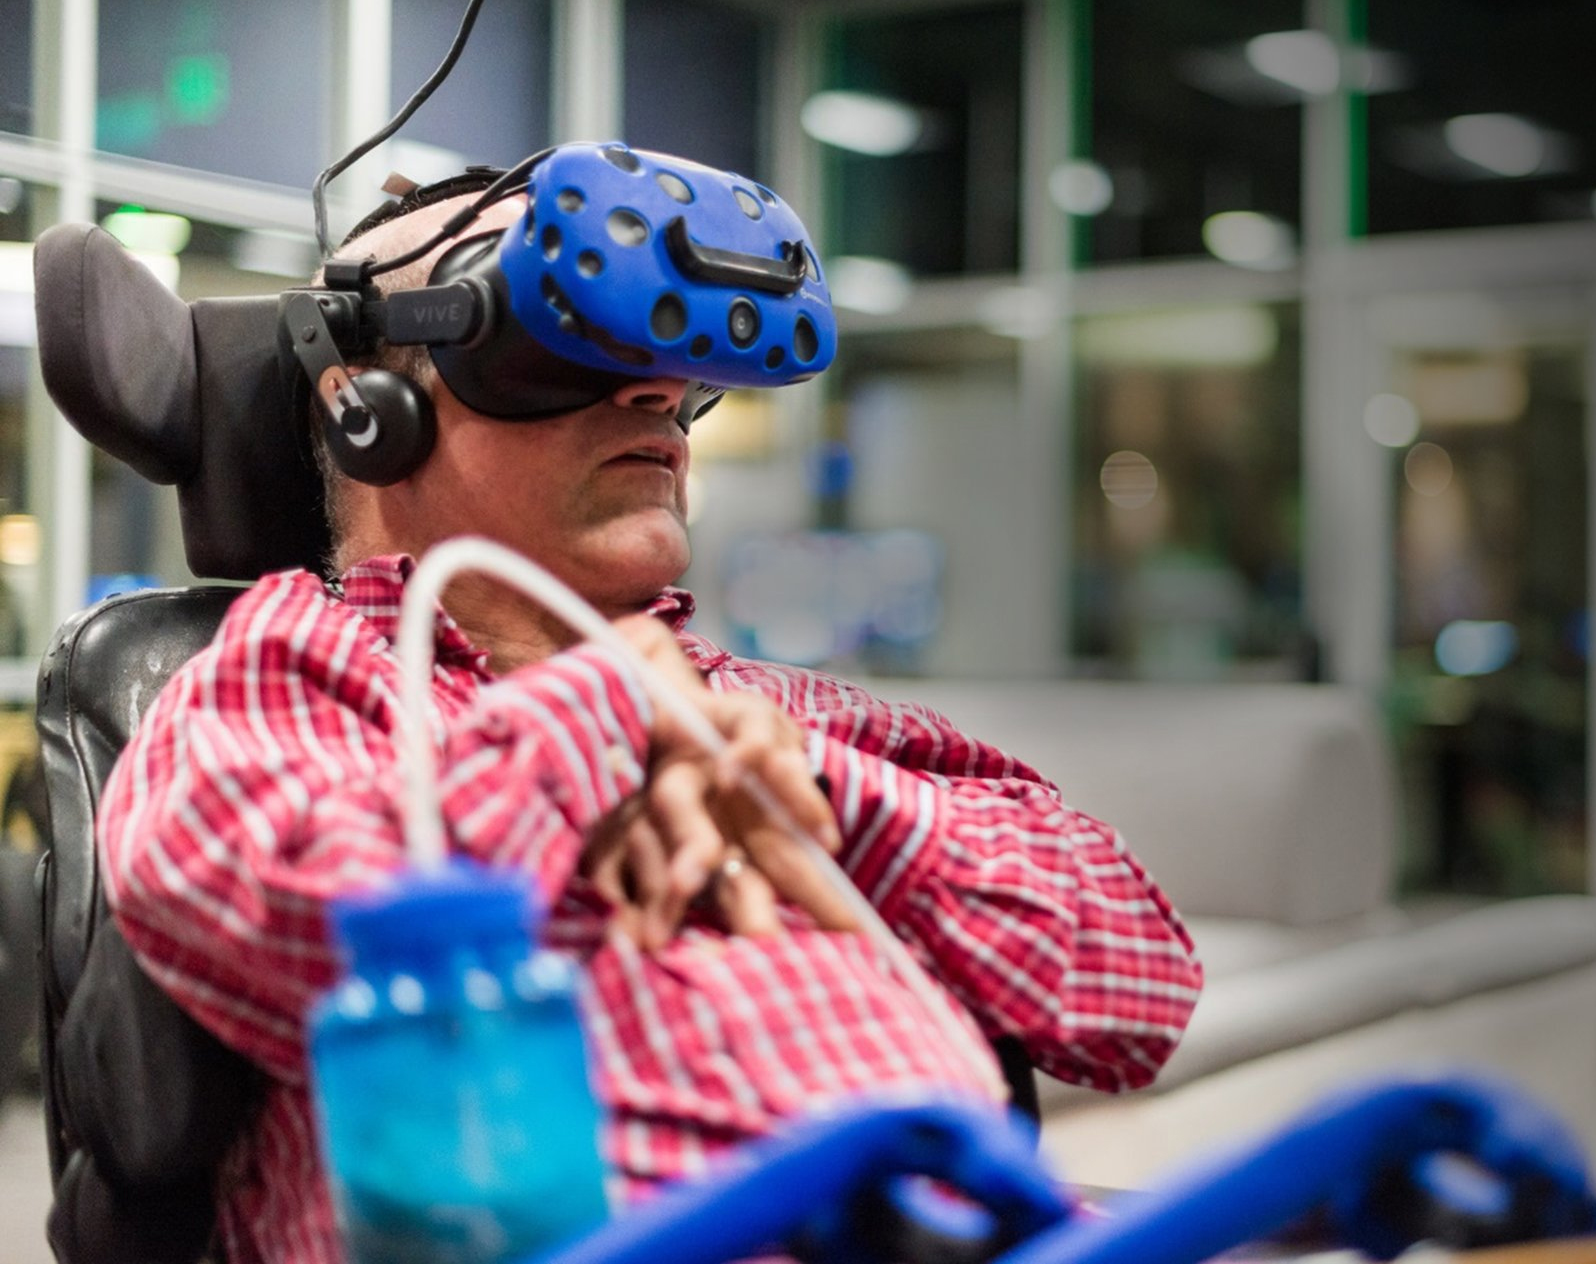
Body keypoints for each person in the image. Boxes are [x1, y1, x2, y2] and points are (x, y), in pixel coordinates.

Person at [95, 184, 1203, 1264]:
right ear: (364, 407)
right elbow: (297, 925)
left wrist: (810, 791)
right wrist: (602, 713)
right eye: (558, 343)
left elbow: (1135, 991)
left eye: (668, 357)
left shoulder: (785, 711)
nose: (656, 397)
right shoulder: (300, 668)